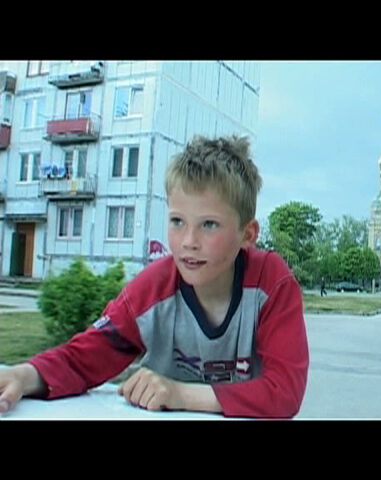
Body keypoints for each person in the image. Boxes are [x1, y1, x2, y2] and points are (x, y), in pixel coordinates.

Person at [0, 135, 309, 418]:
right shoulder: (151, 290)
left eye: (209, 224)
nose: (189, 240)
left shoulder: (273, 284)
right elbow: (82, 361)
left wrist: (180, 393)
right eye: (177, 221)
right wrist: (23, 376)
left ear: (248, 234)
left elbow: (285, 392)